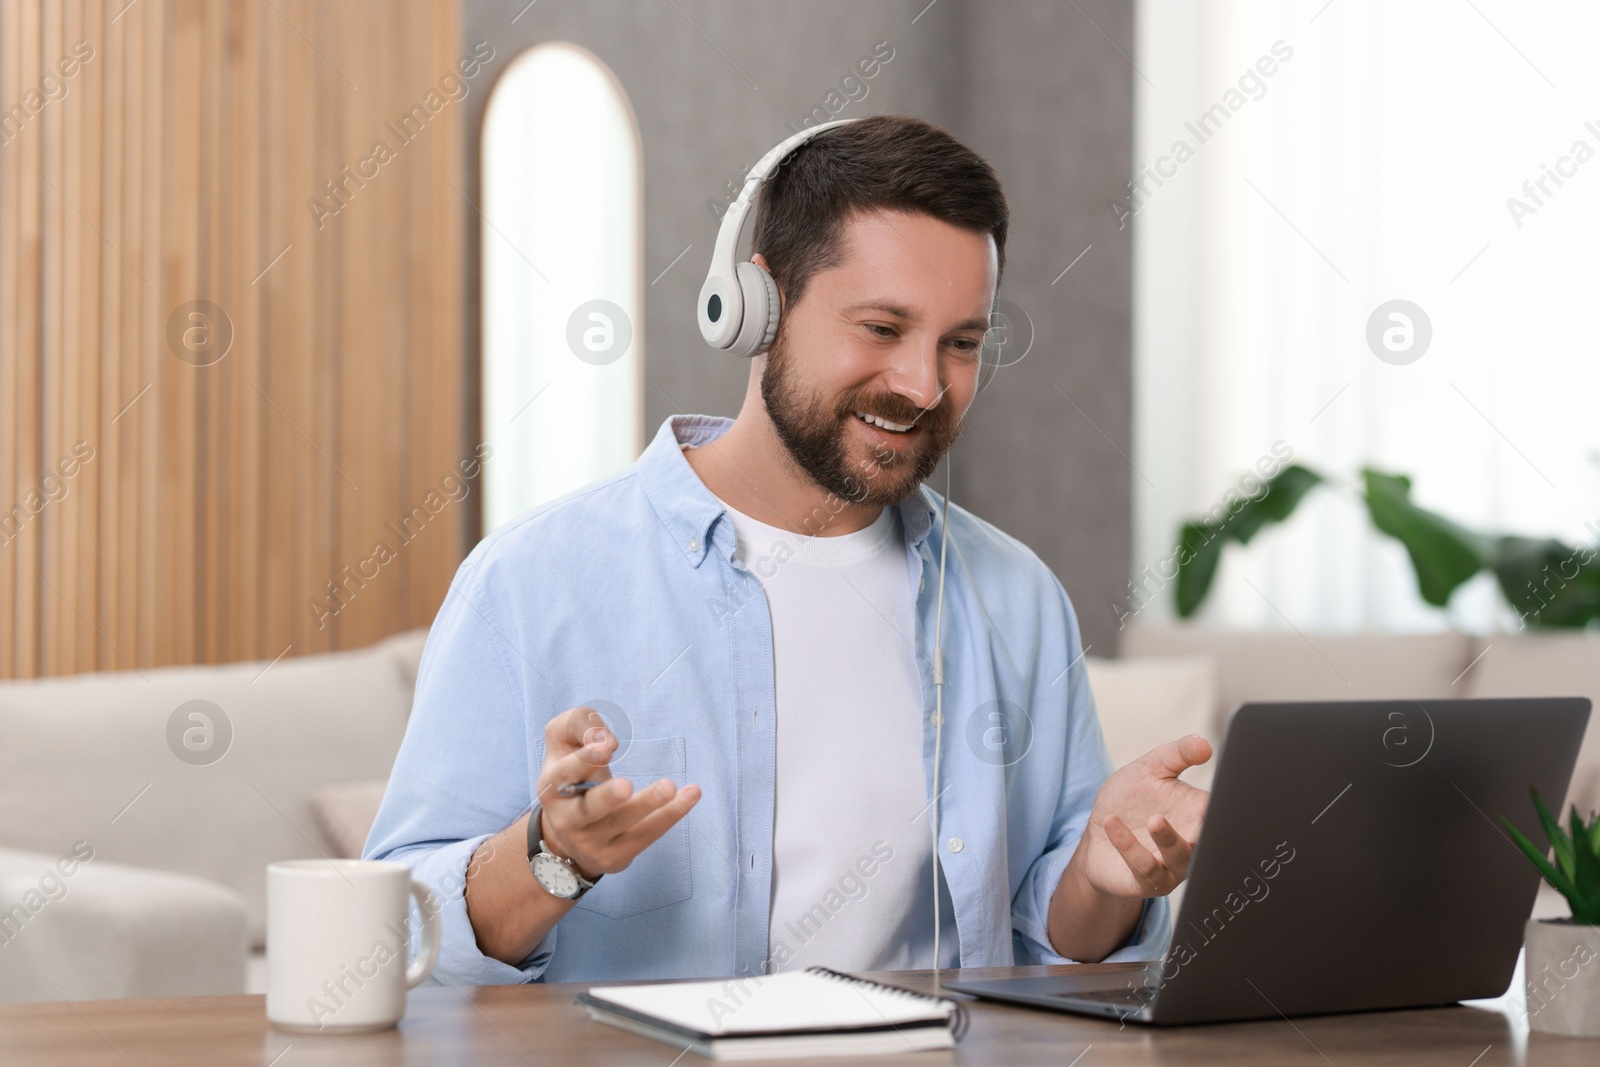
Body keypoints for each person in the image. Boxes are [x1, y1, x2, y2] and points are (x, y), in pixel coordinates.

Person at [365, 113, 1210, 987]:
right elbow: (396, 933)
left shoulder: (1015, 596)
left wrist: (1105, 876)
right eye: (882, 328)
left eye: (961, 343)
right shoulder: (531, 583)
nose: (924, 385)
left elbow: (1054, 940)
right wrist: (553, 856)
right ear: (753, 307)